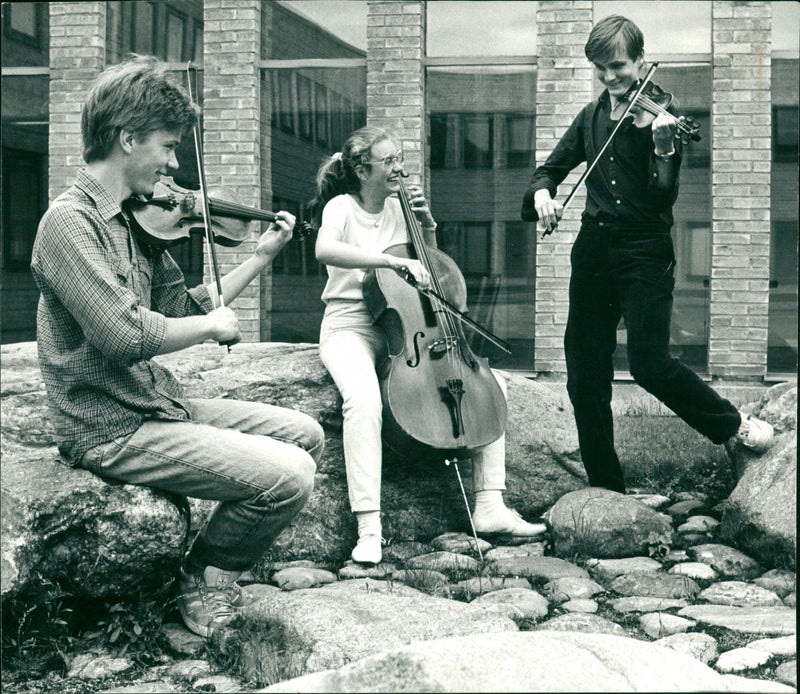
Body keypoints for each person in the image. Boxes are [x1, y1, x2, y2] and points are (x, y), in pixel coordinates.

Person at [30, 56, 325, 638]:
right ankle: (201, 576)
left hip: (155, 404)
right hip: (109, 426)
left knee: (305, 434)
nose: (173, 162)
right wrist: (215, 328)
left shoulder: (128, 222)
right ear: (128, 137)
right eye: (167, 146)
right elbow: (123, 335)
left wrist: (261, 255)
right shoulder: (68, 223)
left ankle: (213, 547)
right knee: (289, 474)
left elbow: (183, 311)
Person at [522, 15, 773, 494]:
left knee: (649, 363)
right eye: (600, 69)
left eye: (617, 66)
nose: (610, 78)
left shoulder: (660, 119)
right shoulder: (591, 117)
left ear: (640, 61)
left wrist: (661, 151)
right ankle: (606, 488)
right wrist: (542, 195)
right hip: (593, 248)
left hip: (644, 250)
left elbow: (662, 199)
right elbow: (546, 171)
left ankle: (731, 425)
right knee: (584, 374)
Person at [312, 125, 546, 565]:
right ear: (364, 170)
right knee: (362, 403)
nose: (399, 168)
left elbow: (432, 271)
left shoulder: (402, 210)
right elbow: (326, 250)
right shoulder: (342, 207)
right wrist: (389, 259)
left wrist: (428, 227)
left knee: (491, 384)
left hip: (412, 326)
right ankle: (369, 526)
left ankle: (490, 505)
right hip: (352, 326)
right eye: (389, 161)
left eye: (400, 158)